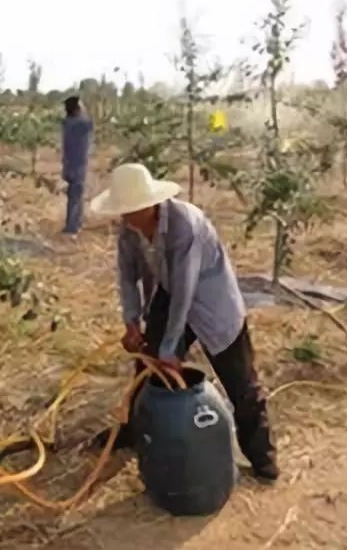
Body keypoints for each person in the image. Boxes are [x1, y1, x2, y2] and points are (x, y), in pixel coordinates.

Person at [90, 162, 279, 481]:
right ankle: (136, 430)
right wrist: (132, 322)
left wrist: (171, 348)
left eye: (132, 210)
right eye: (123, 211)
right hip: (170, 292)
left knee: (241, 383)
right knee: (148, 365)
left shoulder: (184, 225)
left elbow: (186, 291)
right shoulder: (129, 230)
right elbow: (127, 276)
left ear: (151, 204)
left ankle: (263, 460)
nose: (127, 218)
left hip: (212, 303)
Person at [60, 96, 93, 236]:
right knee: (76, 196)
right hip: (77, 165)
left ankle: (75, 223)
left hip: (69, 164)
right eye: (81, 105)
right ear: (76, 108)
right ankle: (72, 226)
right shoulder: (81, 123)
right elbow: (93, 123)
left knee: (74, 196)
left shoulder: (67, 123)